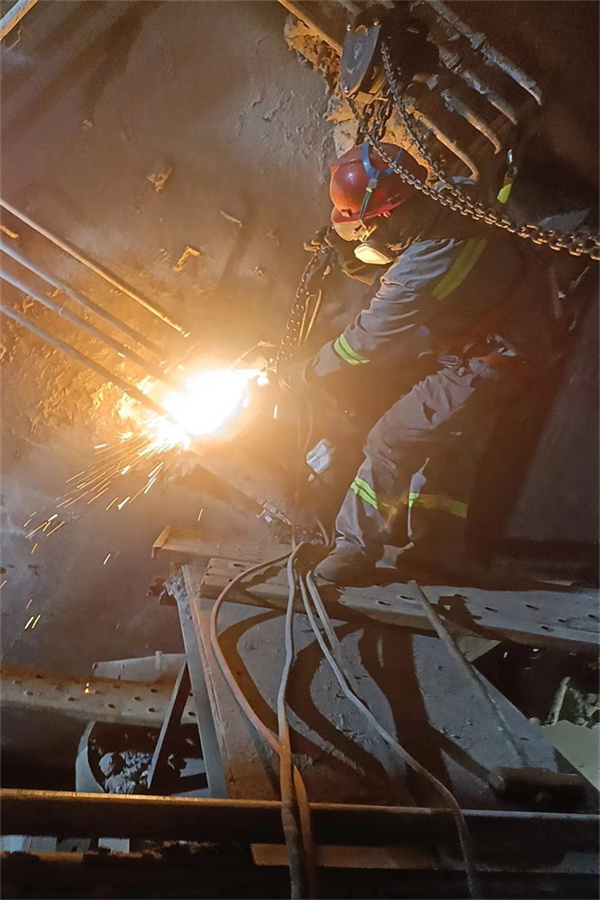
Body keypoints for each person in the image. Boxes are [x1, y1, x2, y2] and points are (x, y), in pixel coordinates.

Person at [284, 141, 555, 586]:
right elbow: (419, 265)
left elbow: (365, 340)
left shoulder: (425, 265)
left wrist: (307, 371)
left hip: (493, 360)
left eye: (367, 226)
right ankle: (438, 550)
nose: (365, 237)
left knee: (390, 440)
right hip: (519, 337)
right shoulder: (456, 194)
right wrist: (352, 253)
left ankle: (353, 548)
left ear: (390, 214)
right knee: (446, 444)